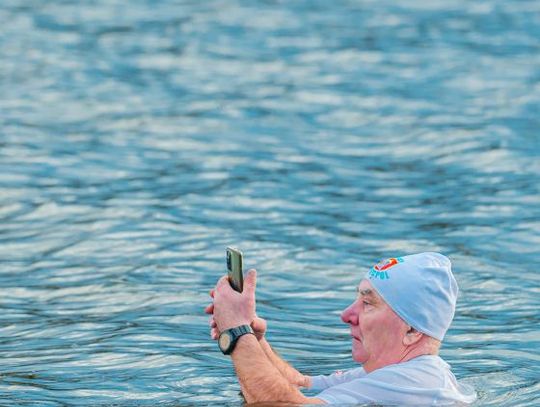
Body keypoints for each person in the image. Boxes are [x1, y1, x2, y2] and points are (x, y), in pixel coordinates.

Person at [204, 252, 477, 405]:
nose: (346, 315)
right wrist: (254, 340)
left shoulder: (417, 381)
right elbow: (300, 384)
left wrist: (236, 331)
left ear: (412, 331)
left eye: (367, 303)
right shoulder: (389, 374)